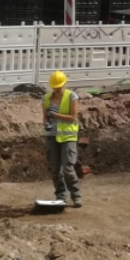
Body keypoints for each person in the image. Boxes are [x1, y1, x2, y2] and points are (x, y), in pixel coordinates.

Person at [43, 70, 82, 208]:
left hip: (68, 136)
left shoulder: (72, 96)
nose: (57, 88)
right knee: (54, 169)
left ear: (64, 84)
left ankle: (76, 196)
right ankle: (60, 196)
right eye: (54, 86)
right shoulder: (46, 98)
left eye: (58, 86)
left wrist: (56, 115)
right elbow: (46, 116)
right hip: (52, 136)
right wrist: (46, 123)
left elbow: (73, 117)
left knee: (68, 168)